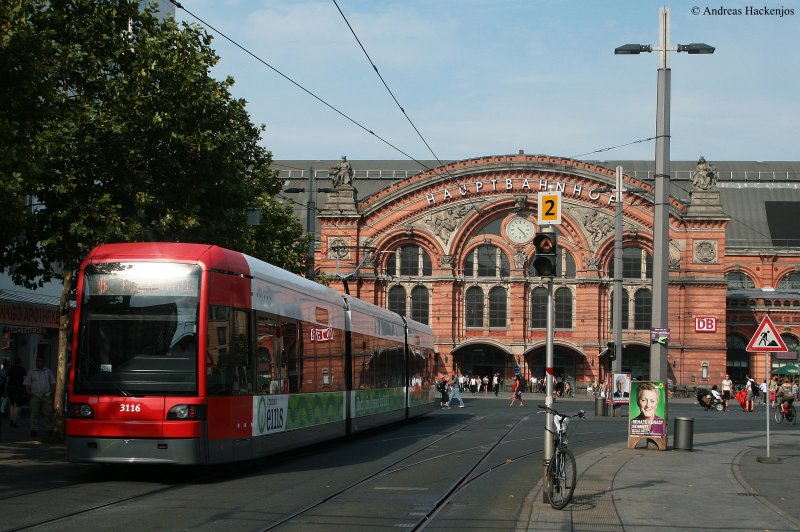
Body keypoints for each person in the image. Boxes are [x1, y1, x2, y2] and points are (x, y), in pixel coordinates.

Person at [23, 356, 55, 437]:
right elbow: (27, 383)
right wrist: (29, 392)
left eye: (40, 361)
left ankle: (49, 429)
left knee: (48, 413)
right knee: (34, 413)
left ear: (43, 362)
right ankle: (33, 429)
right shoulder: (31, 371)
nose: (38, 362)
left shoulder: (48, 371)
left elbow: (53, 382)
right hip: (35, 395)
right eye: (37, 361)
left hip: (46, 395)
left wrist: (52, 392)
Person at [5, 357, 27, 429]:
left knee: (11, 404)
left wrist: (5, 390)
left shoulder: (10, 370)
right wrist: (25, 389)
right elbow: (25, 381)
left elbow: (7, 381)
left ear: (14, 362)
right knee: (17, 405)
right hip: (19, 389)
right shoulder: (22, 370)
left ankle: (11, 419)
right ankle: (14, 421)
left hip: (11, 388)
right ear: (20, 362)